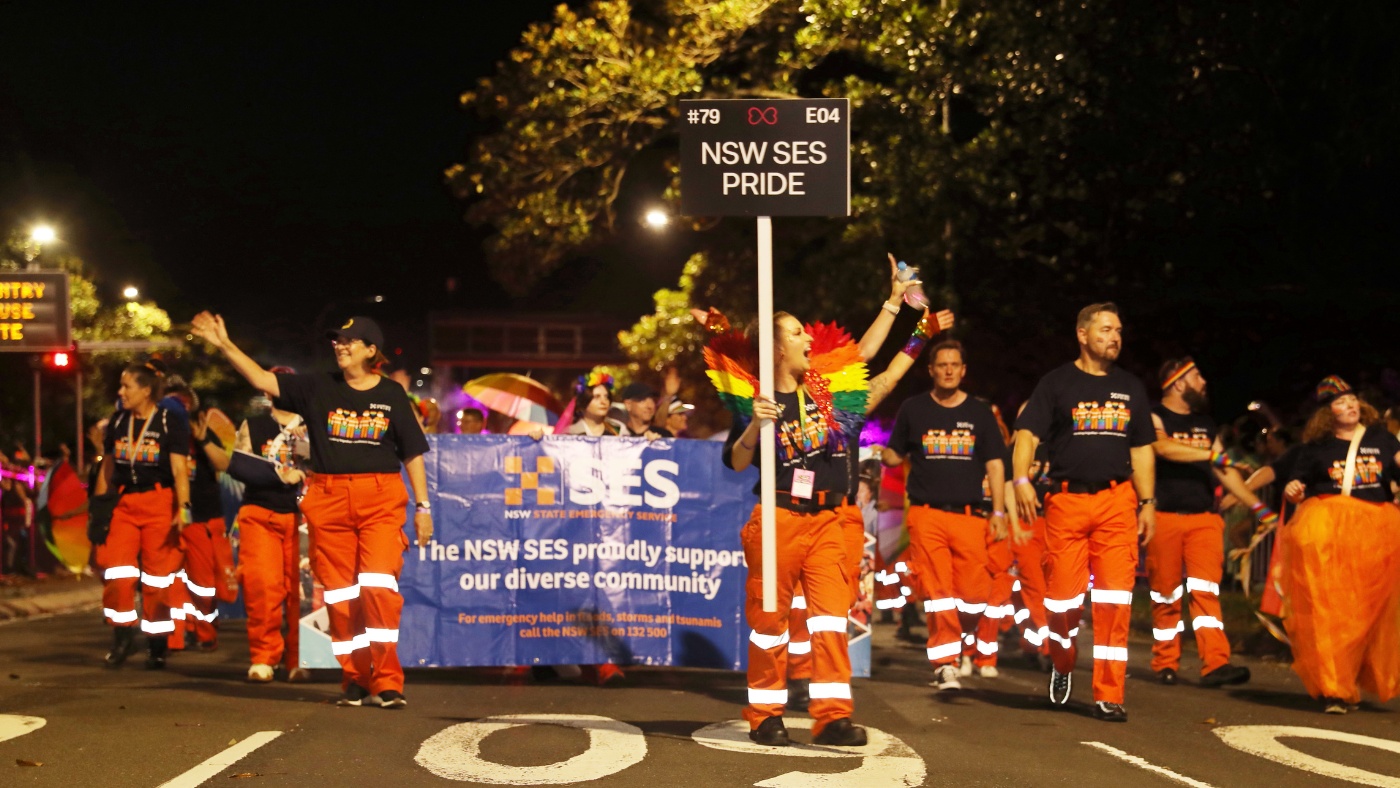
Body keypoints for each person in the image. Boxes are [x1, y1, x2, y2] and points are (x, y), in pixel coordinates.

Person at [192, 312, 432, 708]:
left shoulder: (391, 395)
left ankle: (387, 680)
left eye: (349, 341)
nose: (339, 345)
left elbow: (413, 454)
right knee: (340, 596)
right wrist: (223, 344)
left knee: (378, 589)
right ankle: (354, 678)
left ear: (371, 351)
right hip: (330, 500)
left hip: (380, 499)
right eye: (337, 340)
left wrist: (423, 506)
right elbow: (262, 380)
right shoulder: (317, 387)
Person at [720, 311, 868, 747]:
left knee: (830, 621)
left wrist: (895, 306)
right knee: (770, 622)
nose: (810, 338)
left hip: (826, 521)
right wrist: (754, 424)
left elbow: (867, 355)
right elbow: (735, 462)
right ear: (777, 349)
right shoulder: (756, 400)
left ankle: (833, 718)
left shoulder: (825, 393)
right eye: (799, 332)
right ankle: (765, 715)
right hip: (777, 518)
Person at [1011, 302, 1155, 722]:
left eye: (1119, 331)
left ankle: (1109, 694)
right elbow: (1026, 435)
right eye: (1107, 329)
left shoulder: (1131, 387)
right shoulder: (1056, 384)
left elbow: (1142, 448)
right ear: (1083, 334)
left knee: (1114, 600)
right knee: (1060, 603)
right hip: (1066, 503)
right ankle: (1062, 658)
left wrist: (1147, 502)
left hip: (1117, 502)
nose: (1115, 337)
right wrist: (1021, 480)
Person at [883, 340, 1008, 692]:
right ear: (932, 370)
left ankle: (959, 640)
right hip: (927, 515)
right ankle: (944, 664)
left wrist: (998, 510)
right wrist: (883, 455)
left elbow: (996, 464)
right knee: (937, 590)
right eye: (942, 365)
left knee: (973, 594)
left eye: (955, 364)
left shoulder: (980, 414)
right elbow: (896, 451)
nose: (949, 370)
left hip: (970, 517)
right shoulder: (914, 409)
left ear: (963, 371)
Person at [1279, 376, 1400, 714]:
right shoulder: (1317, 447)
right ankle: (1334, 688)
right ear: (1326, 413)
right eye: (1340, 403)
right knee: (1332, 612)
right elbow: (1297, 482)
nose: (1349, 406)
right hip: (1328, 530)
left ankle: (1355, 676)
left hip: (1377, 532)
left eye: (1352, 400)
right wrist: (1294, 490)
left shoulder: (1382, 439)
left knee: (1368, 612)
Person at [1147, 358, 1260, 688]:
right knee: (1165, 593)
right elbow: (1163, 448)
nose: (1204, 381)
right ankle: (1165, 661)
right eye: (1197, 375)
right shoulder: (1155, 417)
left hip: (1204, 520)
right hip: (1164, 517)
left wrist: (1258, 507)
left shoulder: (1206, 424)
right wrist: (1211, 456)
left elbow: (1225, 469)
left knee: (1206, 590)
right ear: (1178, 383)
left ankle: (1215, 664)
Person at [210, 381, 313, 683]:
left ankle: (299, 657)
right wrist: (278, 475)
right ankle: (264, 656)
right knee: (263, 588)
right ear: (267, 392)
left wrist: (303, 472)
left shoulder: (313, 426)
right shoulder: (253, 425)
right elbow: (239, 465)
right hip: (260, 513)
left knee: (301, 590)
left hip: (302, 517)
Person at [93, 362, 192, 669]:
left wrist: (183, 508)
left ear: (146, 390)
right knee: (118, 575)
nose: (121, 392)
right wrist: (98, 509)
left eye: (127, 387)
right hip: (124, 503)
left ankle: (157, 644)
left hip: (160, 501)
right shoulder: (119, 420)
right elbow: (108, 467)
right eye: (121, 387)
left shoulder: (168, 421)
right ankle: (121, 637)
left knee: (158, 580)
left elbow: (179, 469)